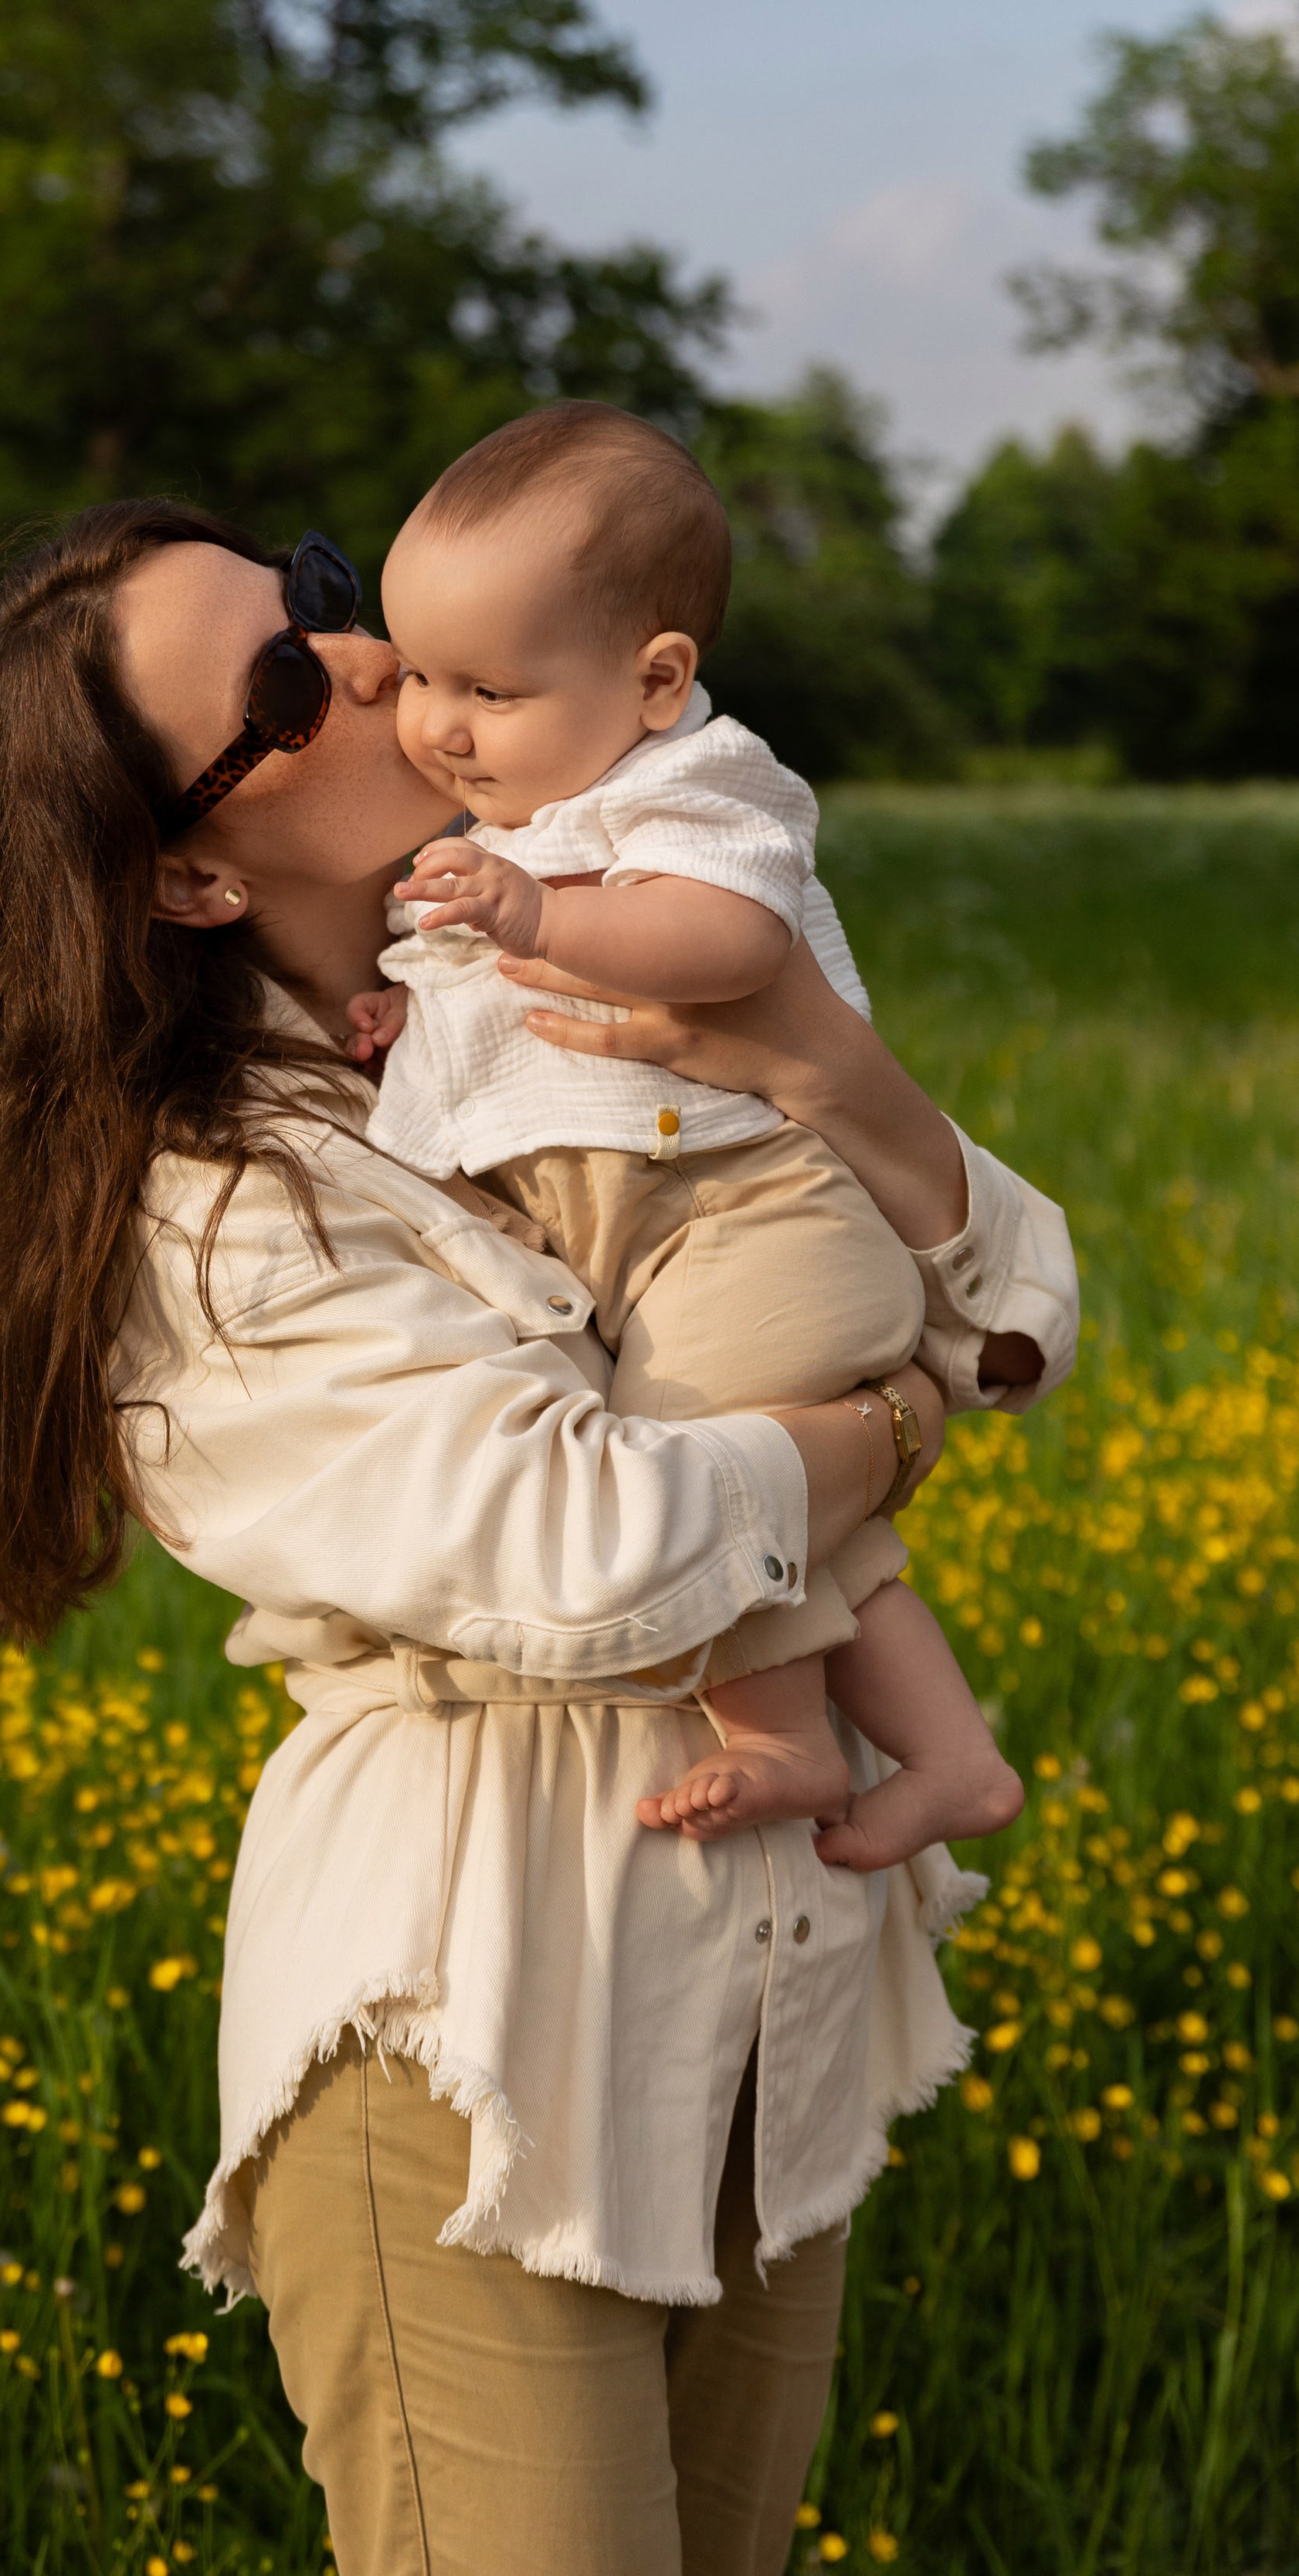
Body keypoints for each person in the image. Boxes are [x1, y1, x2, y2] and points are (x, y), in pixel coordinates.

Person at [0, 497, 1079, 2576]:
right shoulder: (215, 1209)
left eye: (326, 606)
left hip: (763, 1973)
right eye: (285, 685)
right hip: (477, 2018)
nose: (367, 665)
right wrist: (881, 1426)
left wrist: (816, 1057)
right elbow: (592, 1545)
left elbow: (1016, 1297)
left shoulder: (583, 970)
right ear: (185, 865)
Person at [341, 402, 1027, 1873]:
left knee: (699, 1469)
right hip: (658, 1228)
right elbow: (488, 1022)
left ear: (656, 682)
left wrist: (537, 917)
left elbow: (725, 940)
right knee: (812, 1522)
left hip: (749, 1213)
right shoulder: (516, 813)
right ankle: (957, 1759)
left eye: (489, 688)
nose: (437, 724)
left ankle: (779, 1737)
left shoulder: (693, 788)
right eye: (417, 678)